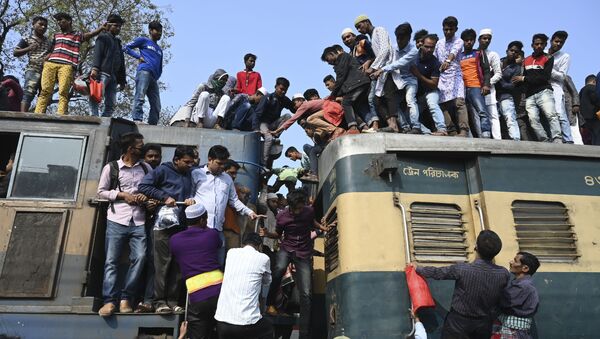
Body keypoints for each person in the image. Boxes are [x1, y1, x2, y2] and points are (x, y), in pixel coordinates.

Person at [413, 230, 511, 338]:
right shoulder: (503, 274)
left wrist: (418, 268)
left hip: (458, 324)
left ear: (476, 247)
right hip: (483, 324)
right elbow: (502, 300)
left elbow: (438, 273)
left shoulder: (462, 269)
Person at [97, 132, 151, 317]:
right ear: (130, 149)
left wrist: (146, 197)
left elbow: (152, 189)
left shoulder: (146, 168)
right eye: (140, 147)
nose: (142, 149)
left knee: (140, 258)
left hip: (139, 220)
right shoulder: (112, 168)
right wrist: (122, 195)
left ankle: (126, 298)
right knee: (111, 261)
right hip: (116, 219)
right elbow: (101, 192)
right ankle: (109, 301)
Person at [262, 189, 328, 339]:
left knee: (306, 293)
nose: (299, 211)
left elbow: (312, 222)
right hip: (287, 249)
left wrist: (322, 227)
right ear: (290, 206)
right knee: (278, 269)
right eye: (296, 208)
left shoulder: (308, 211)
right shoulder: (282, 216)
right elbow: (278, 235)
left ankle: (304, 334)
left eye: (301, 207)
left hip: (303, 253)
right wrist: (267, 234)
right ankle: (269, 304)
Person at [138, 145, 196, 314]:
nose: (190, 165)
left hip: (182, 225)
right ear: (176, 160)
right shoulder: (162, 170)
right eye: (186, 162)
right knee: (162, 263)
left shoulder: (189, 174)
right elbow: (144, 187)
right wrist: (164, 197)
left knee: (178, 264)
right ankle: (159, 302)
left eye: (192, 162)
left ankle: (172, 301)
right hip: (163, 225)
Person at [190, 145, 259, 266]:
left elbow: (234, 200)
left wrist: (250, 212)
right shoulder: (196, 174)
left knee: (219, 265)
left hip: (218, 230)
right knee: (199, 264)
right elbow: (189, 197)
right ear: (210, 159)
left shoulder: (227, 179)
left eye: (224, 164)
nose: (222, 167)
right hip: (200, 229)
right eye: (219, 163)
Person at [34, 12, 104, 115]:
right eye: (58, 20)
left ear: (69, 21)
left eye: (61, 20)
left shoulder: (77, 35)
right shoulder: (56, 35)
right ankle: (38, 114)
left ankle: (61, 114)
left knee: (63, 91)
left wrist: (101, 28)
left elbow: (89, 35)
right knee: (45, 90)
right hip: (50, 64)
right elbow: (51, 50)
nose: (59, 22)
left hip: (67, 65)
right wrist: (44, 61)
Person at [170, 203, 222, 339]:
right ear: (202, 220)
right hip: (220, 293)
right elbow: (218, 244)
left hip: (197, 296)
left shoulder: (174, 240)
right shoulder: (212, 234)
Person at [214, 233, 273, 339]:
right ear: (259, 246)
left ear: (242, 244)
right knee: (268, 327)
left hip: (221, 321)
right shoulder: (264, 258)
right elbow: (267, 281)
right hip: (245, 323)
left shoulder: (231, 253)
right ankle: (266, 307)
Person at [512, 33, 562, 143]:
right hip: (529, 95)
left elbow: (544, 77)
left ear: (545, 45)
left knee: (551, 115)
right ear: (532, 45)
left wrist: (524, 78)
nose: (539, 46)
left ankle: (557, 138)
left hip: (544, 91)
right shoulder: (526, 60)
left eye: (541, 44)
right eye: (536, 44)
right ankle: (544, 140)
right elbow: (523, 79)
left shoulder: (548, 58)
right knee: (533, 120)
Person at [372, 22, 421, 134]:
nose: (399, 41)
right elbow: (388, 61)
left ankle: (416, 127)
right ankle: (404, 126)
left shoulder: (413, 50)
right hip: (397, 79)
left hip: (410, 80)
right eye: (397, 38)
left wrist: (382, 69)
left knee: (410, 100)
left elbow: (398, 63)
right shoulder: (394, 47)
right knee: (391, 103)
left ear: (408, 38)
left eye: (402, 39)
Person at [354, 14, 398, 132]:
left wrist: (373, 67)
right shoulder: (371, 37)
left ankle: (394, 126)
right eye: (357, 28)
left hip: (388, 69)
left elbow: (385, 50)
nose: (359, 29)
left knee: (389, 96)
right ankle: (390, 125)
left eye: (360, 25)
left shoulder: (379, 30)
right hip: (380, 72)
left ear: (367, 21)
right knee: (376, 100)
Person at [434, 16, 470, 137]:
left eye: (451, 29)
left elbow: (453, 52)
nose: (448, 32)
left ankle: (464, 130)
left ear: (456, 29)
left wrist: (448, 61)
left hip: (455, 76)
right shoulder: (439, 43)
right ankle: (451, 131)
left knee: (459, 103)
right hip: (442, 78)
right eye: (445, 29)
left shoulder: (459, 41)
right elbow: (434, 58)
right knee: (442, 105)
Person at [321, 45, 370, 133]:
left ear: (332, 54)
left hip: (358, 83)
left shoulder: (343, 57)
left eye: (328, 60)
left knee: (346, 102)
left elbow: (341, 78)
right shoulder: (340, 62)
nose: (328, 63)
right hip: (357, 84)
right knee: (353, 106)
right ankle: (365, 126)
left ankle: (353, 127)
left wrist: (333, 95)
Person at [492, 252, 540, 339]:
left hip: (513, 332)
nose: (511, 262)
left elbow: (503, 302)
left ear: (525, 268)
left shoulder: (523, 286)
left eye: (515, 261)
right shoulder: (520, 284)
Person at [124, 20, 163, 125]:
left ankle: (153, 124)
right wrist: (138, 57)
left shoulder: (159, 49)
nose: (159, 33)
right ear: (150, 30)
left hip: (153, 78)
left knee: (156, 105)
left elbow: (160, 65)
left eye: (161, 31)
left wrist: (157, 75)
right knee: (140, 96)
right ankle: (137, 119)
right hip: (144, 72)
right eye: (157, 30)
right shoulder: (144, 40)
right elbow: (126, 47)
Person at [340, 27, 379, 130]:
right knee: (358, 103)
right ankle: (369, 124)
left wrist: (368, 62)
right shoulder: (350, 54)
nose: (346, 40)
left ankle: (375, 124)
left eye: (348, 36)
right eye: (344, 39)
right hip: (362, 81)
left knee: (371, 99)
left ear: (354, 36)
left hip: (374, 75)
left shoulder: (362, 43)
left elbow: (377, 55)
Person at [89, 14, 126, 117]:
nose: (118, 28)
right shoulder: (102, 37)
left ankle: (105, 120)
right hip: (103, 73)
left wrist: (122, 80)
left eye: (119, 26)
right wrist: (95, 68)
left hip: (114, 76)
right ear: (109, 25)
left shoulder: (118, 42)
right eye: (115, 25)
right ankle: (94, 116)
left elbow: (122, 62)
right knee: (96, 95)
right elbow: (97, 53)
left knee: (111, 103)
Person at [253, 77, 295, 167]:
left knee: (288, 116)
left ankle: (275, 135)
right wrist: (256, 129)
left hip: (274, 125)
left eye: (285, 90)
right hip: (263, 124)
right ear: (276, 87)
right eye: (281, 89)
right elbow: (257, 114)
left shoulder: (284, 99)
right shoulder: (267, 98)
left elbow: (293, 109)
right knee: (268, 138)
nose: (283, 92)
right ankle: (263, 163)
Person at [411, 34, 448, 136]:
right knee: (410, 115)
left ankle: (442, 129)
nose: (429, 49)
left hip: (431, 91)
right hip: (417, 94)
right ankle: (427, 132)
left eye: (432, 47)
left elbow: (433, 84)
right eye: (427, 46)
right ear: (421, 45)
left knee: (432, 104)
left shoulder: (435, 63)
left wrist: (418, 75)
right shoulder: (413, 56)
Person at [547, 30, 580, 144]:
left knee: (560, 113)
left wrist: (547, 71)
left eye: (561, 42)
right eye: (556, 41)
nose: (558, 44)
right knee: (547, 114)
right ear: (551, 41)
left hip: (556, 87)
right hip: (542, 88)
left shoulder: (565, 56)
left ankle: (568, 139)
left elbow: (562, 76)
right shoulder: (543, 52)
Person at [13, 16, 51, 112]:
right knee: (29, 92)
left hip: (46, 71)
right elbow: (15, 52)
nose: (43, 27)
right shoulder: (27, 38)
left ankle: (40, 117)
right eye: (40, 24)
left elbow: (53, 52)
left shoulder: (49, 41)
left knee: (44, 94)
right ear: (33, 25)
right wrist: (29, 48)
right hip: (33, 69)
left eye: (45, 26)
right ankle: (22, 117)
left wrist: (48, 57)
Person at [458, 28, 491, 138]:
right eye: (466, 40)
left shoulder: (478, 53)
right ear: (462, 41)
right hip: (462, 89)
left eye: (471, 40)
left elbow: (486, 70)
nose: (469, 42)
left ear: (474, 41)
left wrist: (486, 85)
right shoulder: (459, 56)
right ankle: (471, 136)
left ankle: (486, 134)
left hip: (475, 86)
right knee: (466, 114)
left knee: (482, 111)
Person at [478, 29, 503, 140]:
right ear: (479, 39)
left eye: (489, 39)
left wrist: (487, 84)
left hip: (488, 89)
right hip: (474, 89)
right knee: (477, 114)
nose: (486, 40)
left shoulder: (493, 54)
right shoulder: (474, 53)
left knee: (492, 115)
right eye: (484, 38)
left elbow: (498, 74)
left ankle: (497, 139)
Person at [496, 41, 523, 141]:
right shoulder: (499, 61)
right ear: (507, 50)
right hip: (493, 96)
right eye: (511, 50)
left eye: (516, 52)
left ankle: (516, 140)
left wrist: (500, 80)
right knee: (497, 120)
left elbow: (512, 86)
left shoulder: (517, 68)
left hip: (506, 96)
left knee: (509, 117)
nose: (513, 53)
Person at [579, 74, 600, 145]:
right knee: (597, 135)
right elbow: (596, 100)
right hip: (593, 116)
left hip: (584, 119)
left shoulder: (581, 91)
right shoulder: (592, 88)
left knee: (589, 137)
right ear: (594, 81)